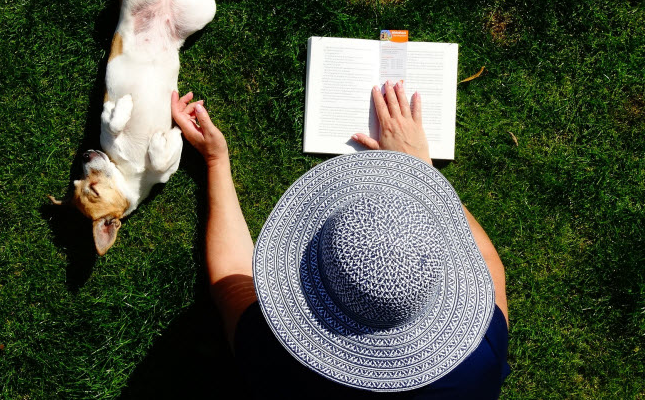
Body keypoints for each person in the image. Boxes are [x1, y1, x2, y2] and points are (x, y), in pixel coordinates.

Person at [171, 80, 510, 399]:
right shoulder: (480, 360)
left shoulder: (275, 359)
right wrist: (420, 169)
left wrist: (216, 160)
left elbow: (232, 281)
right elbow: (490, 268)